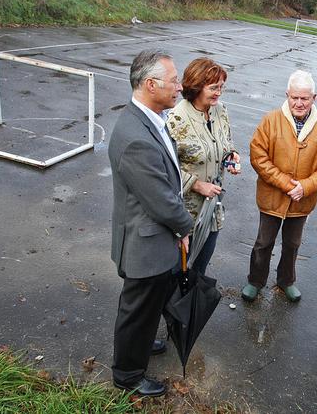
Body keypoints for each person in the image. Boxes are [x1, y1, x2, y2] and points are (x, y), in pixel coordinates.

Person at [108, 50, 193, 397]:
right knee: (137, 311)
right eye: (174, 81)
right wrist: (186, 227)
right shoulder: (136, 138)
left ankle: (140, 344)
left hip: (154, 240)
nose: (180, 86)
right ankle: (127, 375)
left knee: (146, 310)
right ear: (150, 84)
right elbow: (161, 200)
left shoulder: (149, 119)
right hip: (145, 246)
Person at [241, 70, 317, 303]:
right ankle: (255, 281)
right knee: (263, 242)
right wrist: (285, 183)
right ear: (287, 95)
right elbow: (258, 156)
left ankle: (286, 281)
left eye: (304, 98)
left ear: (314, 98)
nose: (299, 103)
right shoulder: (270, 120)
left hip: (302, 201)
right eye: (294, 97)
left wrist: (305, 186)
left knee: (292, 244)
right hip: (271, 198)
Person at [167, 57, 240, 275]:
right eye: (214, 87)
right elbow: (163, 168)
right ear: (197, 86)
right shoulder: (175, 119)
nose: (219, 93)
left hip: (212, 211)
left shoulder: (220, 110)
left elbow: (226, 142)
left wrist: (231, 156)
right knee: (177, 274)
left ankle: (194, 299)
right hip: (184, 215)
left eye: (221, 87)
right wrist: (197, 185)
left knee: (199, 271)